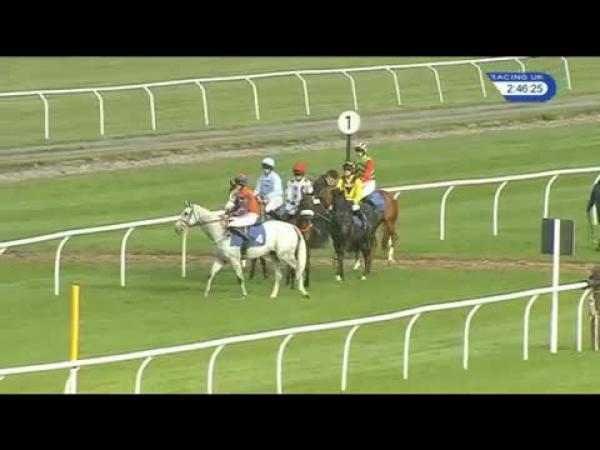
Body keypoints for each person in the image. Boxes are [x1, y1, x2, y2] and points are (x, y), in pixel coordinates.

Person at [225, 174, 260, 240]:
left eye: (236, 184)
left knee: (231, 226)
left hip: (251, 216)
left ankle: (247, 240)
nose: (235, 185)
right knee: (229, 220)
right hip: (248, 214)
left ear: (241, 184)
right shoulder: (247, 191)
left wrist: (233, 214)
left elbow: (243, 209)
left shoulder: (244, 193)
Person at [336, 161, 367, 227]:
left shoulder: (356, 180)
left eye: (348, 170)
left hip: (353, 201)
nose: (346, 171)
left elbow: (359, 193)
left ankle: (363, 222)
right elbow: (338, 188)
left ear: (351, 171)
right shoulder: (342, 179)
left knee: (355, 208)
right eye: (345, 169)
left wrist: (354, 201)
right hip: (344, 201)